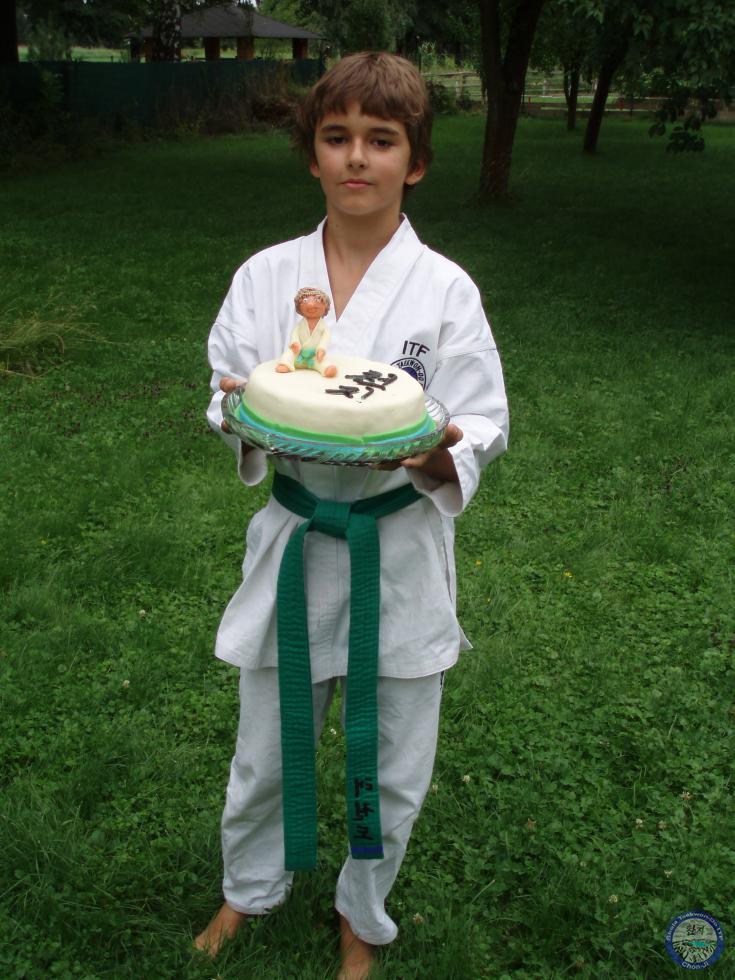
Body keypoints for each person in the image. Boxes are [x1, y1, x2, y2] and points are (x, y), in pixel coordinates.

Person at [196, 51, 509, 979]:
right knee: (266, 747)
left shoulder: (444, 290)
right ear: (312, 155)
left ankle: (361, 914)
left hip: (396, 545)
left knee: (394, 762)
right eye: (337, 138)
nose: (357, 158)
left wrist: (436, 450)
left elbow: (482, 417)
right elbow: (230, 385)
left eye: (381, 140)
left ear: (415, 162)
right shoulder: (265, 277)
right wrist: (233, 411)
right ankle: (248, 887)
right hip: (296, 538)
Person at [276, 286, 337, 377]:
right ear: (299, 307)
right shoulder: (299, 325)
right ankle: (286, 364)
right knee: (289, 353)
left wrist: (321, 349)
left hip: (314, 356)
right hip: (299, 355)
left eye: (317, 300)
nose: (311, 304)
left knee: (322, 360)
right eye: (305, 301)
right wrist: (295, 343)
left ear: (326, 306)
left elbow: (325, 338)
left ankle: (327, 368)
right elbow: (294, 334)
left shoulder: (324, 328)